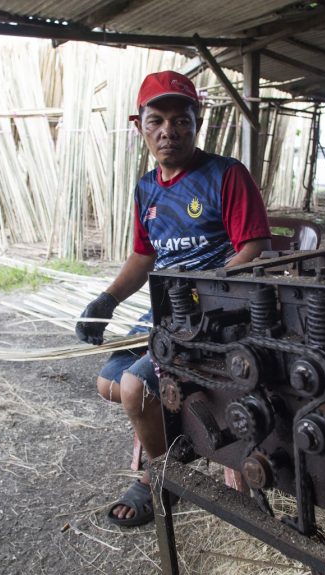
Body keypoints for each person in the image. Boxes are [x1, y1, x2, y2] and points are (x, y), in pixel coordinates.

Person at [75, 70, 272, 527]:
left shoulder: (225, 175)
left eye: (181, 120)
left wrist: (210, 289)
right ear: (139, 126)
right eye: (156, 120)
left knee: (134, 388)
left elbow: (254, 249)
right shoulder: (147, 188)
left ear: (196, 122)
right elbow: (144, 257)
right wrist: (106, 300)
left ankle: (157, 476)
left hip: (218, 313)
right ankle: (178, 437)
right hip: (165, 312)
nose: (169, 131)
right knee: (107, 383)